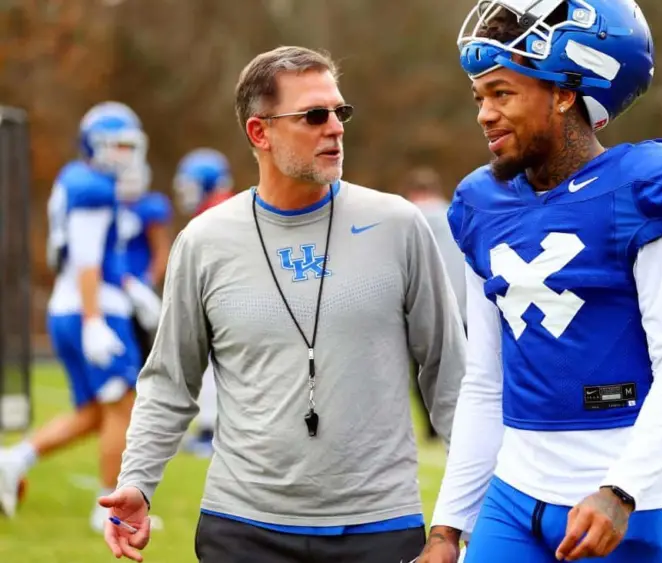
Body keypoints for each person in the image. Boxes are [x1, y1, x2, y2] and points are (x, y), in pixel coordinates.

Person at [98, 46, 466, 563]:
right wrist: (137, 480)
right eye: (314, 115)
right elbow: (169, 381)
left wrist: (466, 513)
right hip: (242, 528)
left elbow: (450, 375)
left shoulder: (398, 225)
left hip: (380, 525)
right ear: (259, 132)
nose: (334, 128)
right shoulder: (204, 241)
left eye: (340, 112)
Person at [420, 2, 662, 562]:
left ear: (563, 93)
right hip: (513, 494)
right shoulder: (481, 205)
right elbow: (485, 382)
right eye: (479, 97)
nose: (485, 114)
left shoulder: (647, 191)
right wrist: (447, 527)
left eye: (502, 93)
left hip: (620, 500)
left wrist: (621, 490)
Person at [0, 102, 162, 533]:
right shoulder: (93, 187)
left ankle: (13, 460)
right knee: (123, 408)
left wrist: (132, 289)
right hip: (91, 310)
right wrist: (94, 319)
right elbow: (86, 259)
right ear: (95, 146)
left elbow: (96, 257)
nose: (126, 155)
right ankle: (110, 508)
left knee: (95, 411)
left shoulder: (79, 180)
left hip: (73, 305)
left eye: (130, 146)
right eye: (118, 146)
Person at [171, 147, 236, 457]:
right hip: (226, 298)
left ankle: (213, 431)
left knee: (214, 363)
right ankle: (212, 429)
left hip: (230, 300)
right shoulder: (218, 211)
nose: (187, 193)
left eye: (192, 185)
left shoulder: (219, 213)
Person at [403, 166, 468, 440]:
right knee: (463, 371)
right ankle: (462, 424)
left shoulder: (407, 219)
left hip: (422, 311)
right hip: (463, 310)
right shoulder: (458, 216)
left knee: (423, 371)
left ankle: (431, 429)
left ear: (413, 192)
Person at [117, 160, 173, 365]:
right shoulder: (109, 204)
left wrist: (147, 281)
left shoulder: (150, 207)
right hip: (115, 286)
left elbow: (162, 251)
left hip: (140, 287)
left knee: (144, 346)